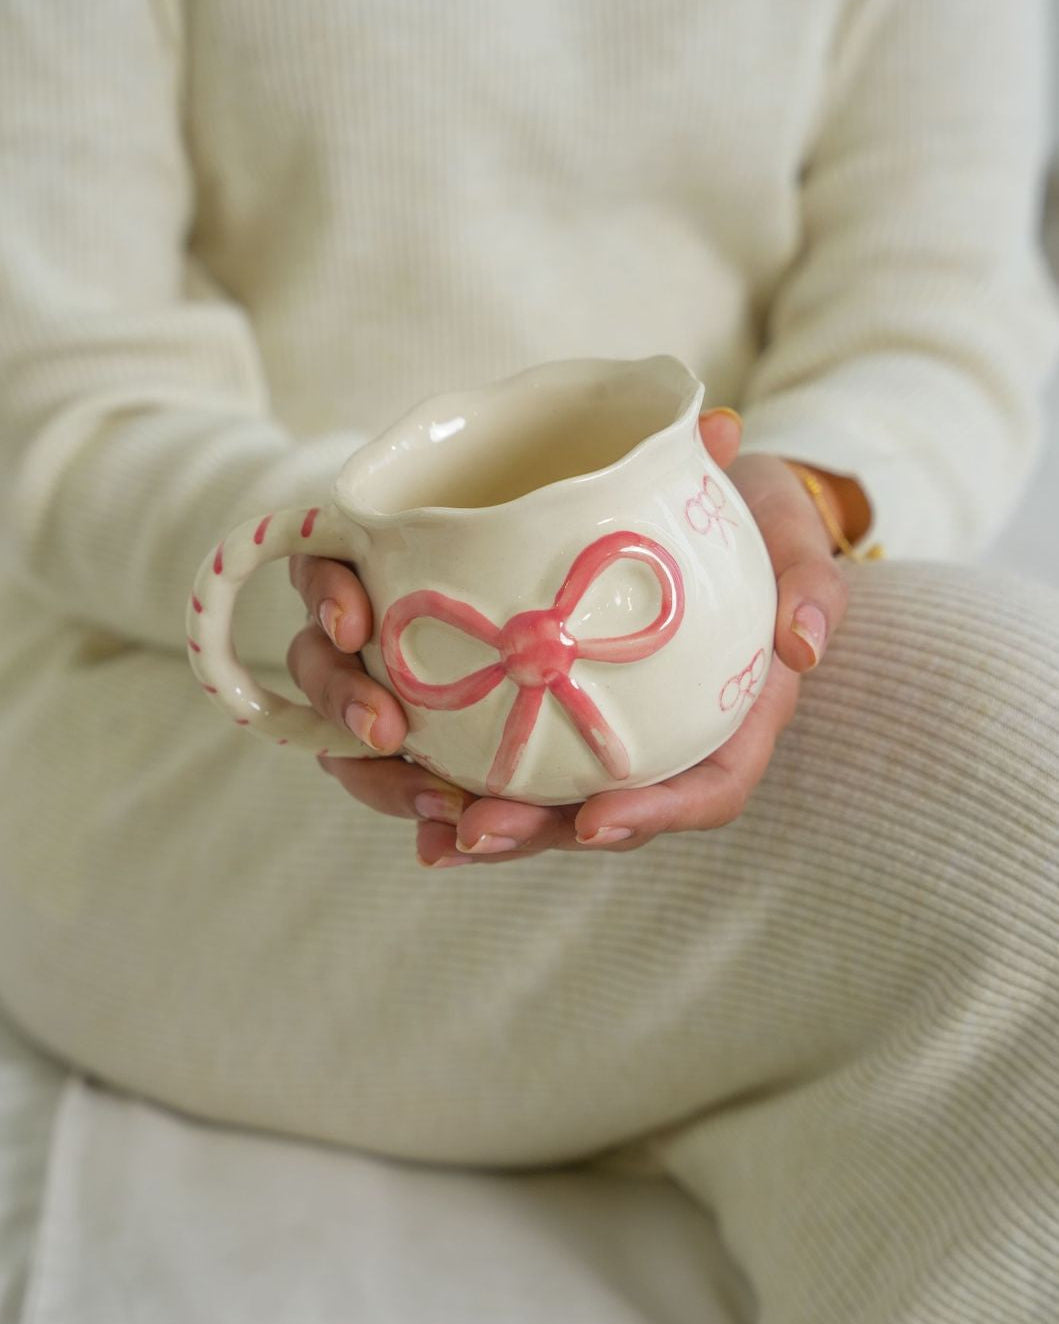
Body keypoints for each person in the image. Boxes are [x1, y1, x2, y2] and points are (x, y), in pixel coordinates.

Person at [1, 1, 1057, 1319]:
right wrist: (363, 561)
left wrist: (815, 502)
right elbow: (63, 392)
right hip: (209, 690)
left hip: (709, 616)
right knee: (1023, 792)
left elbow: (935, 306)